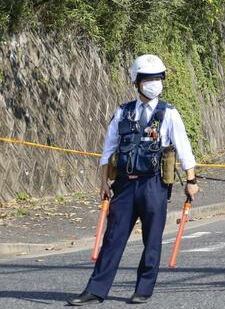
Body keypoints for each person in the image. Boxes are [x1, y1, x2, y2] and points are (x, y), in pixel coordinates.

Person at [69, 54, 198, 306]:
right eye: (148, 78)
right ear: (137, 82)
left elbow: (184, 149)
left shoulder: (169, 113)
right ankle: (95, 290)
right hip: (124, 185)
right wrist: (104, 183)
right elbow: (108, 150)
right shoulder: (123, 112)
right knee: (113, 238)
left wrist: (191, 181)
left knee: (152, 239)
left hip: (154, 185)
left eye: (158, 78)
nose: (154, 83)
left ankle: (144, 289)